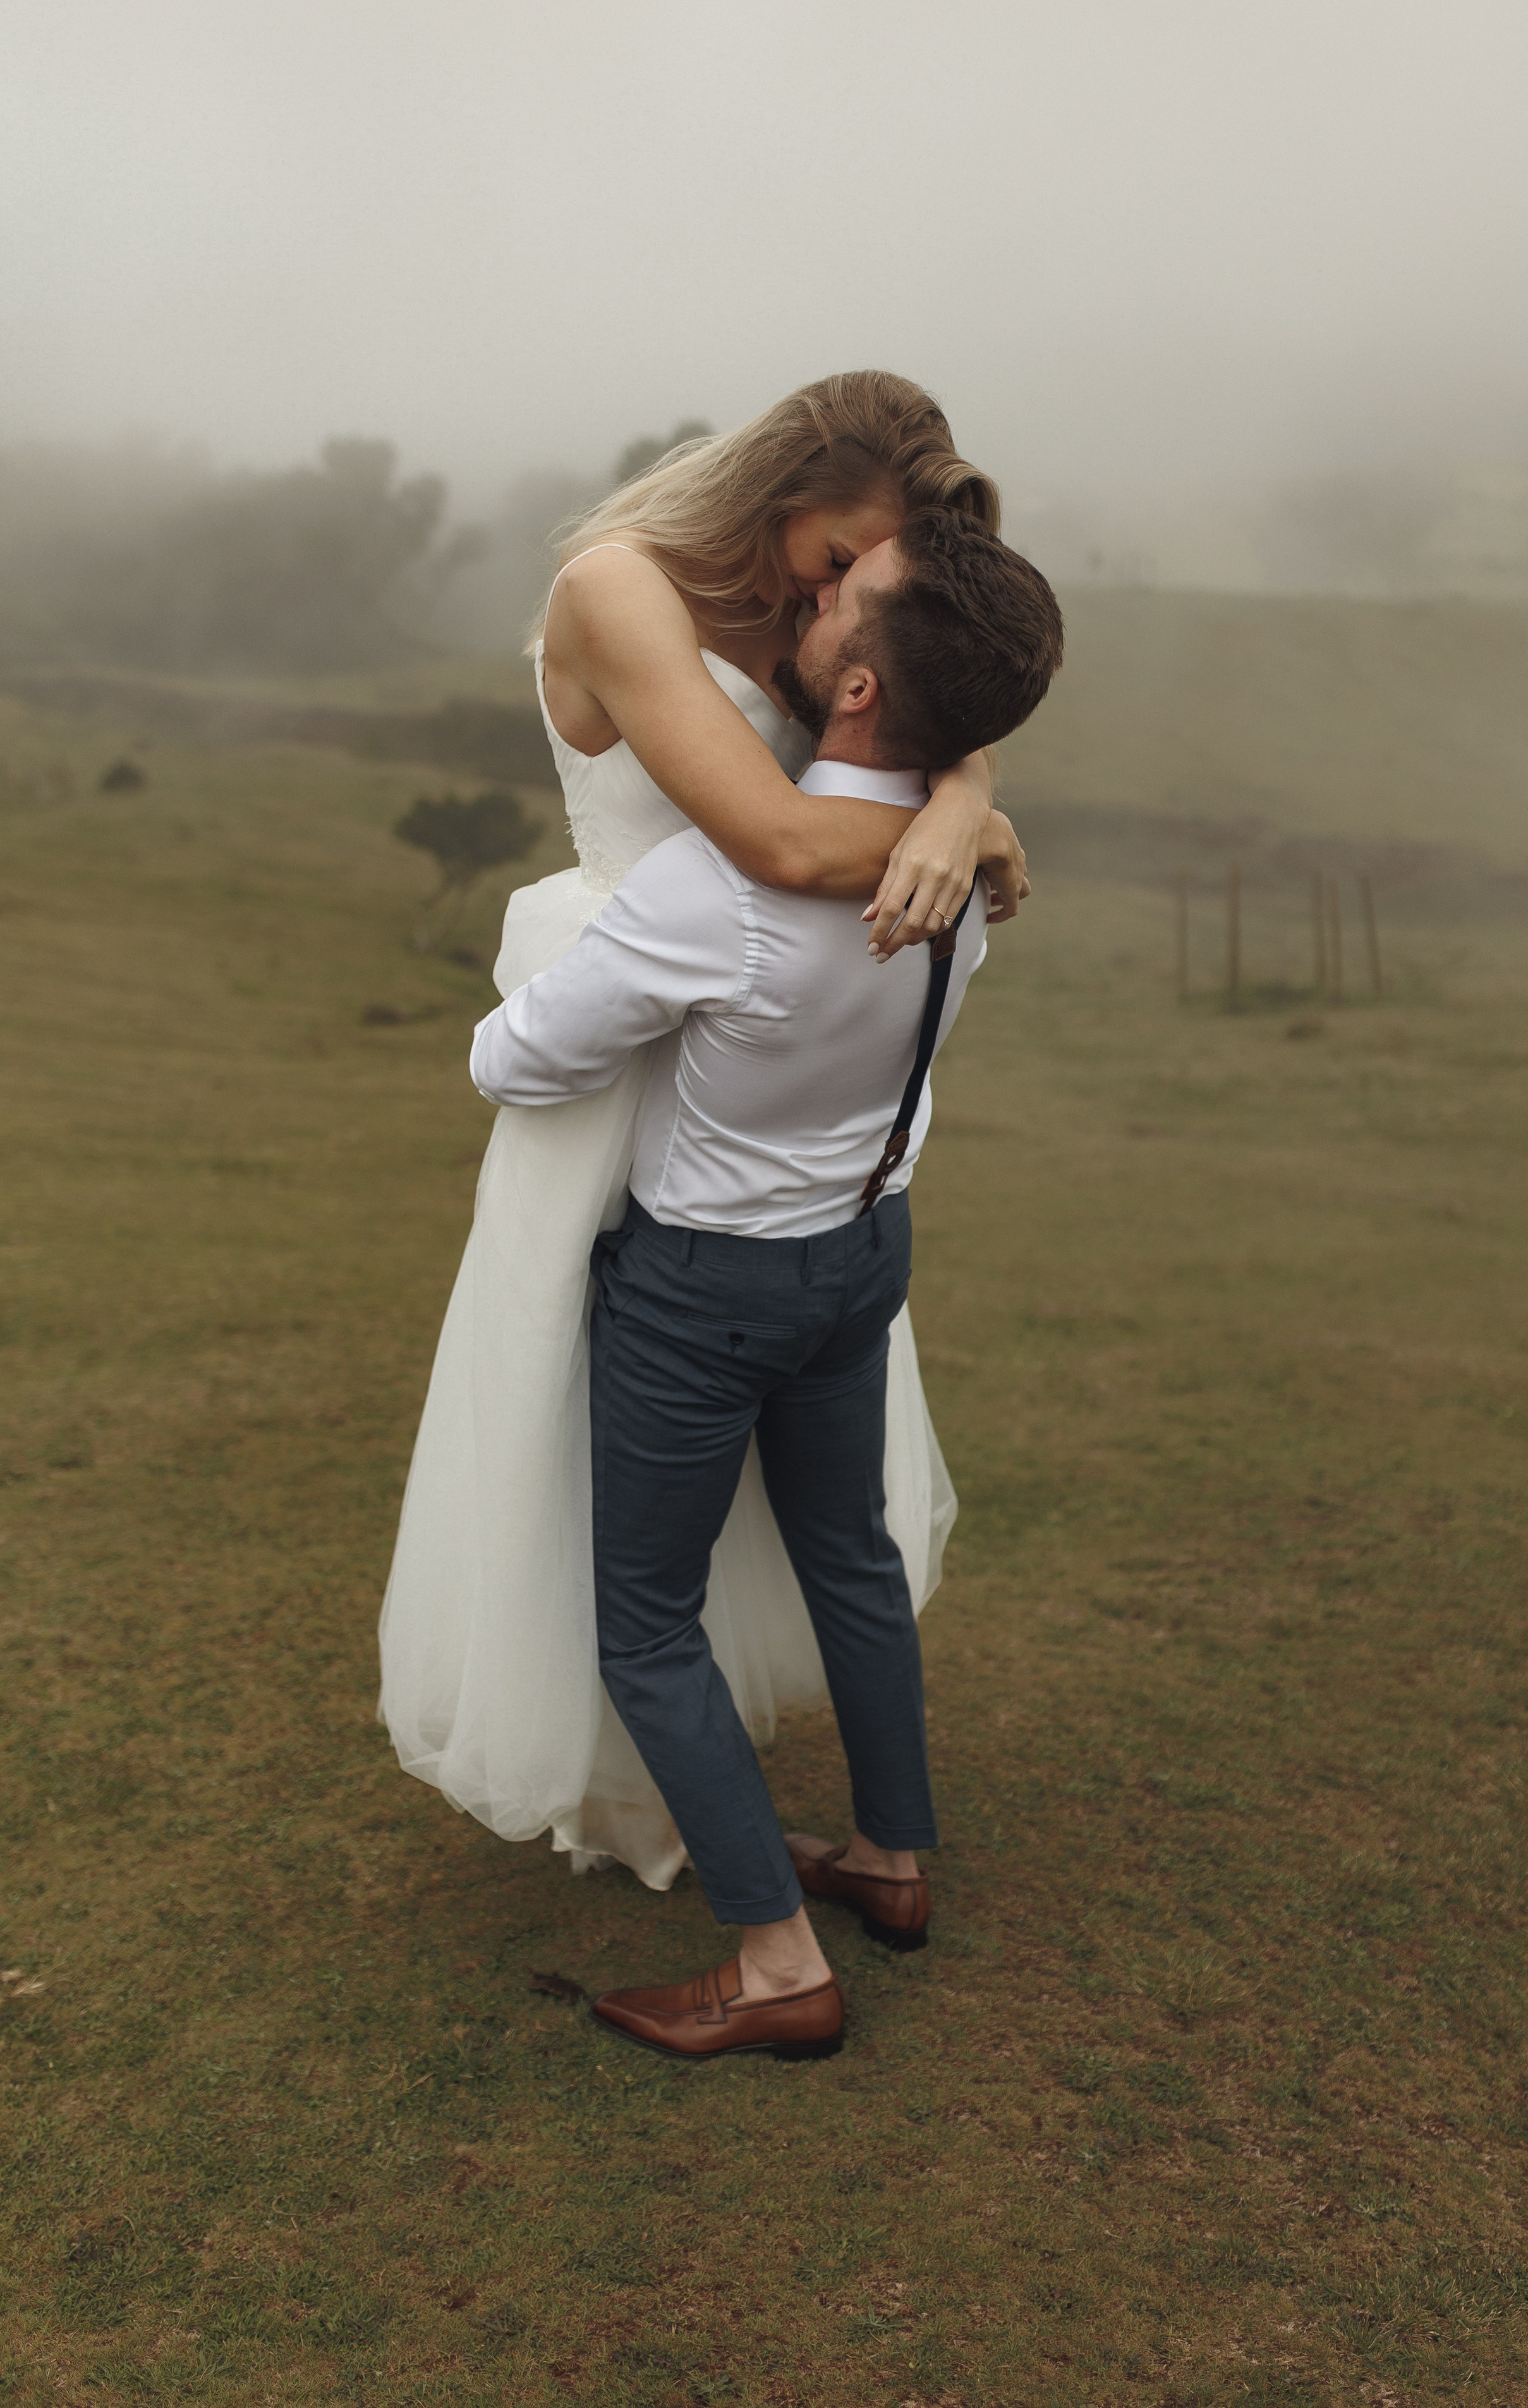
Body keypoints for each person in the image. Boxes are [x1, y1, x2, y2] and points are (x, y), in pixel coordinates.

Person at [378, 373, 1031, 1891]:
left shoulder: (834, 620)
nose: (834, 593)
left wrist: (969, 786)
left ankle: (721, 1805)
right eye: (838, 557)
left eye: (861, 579)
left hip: (755, 1052)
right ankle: (633, 1777)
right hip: (634, 1034)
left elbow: (926, 688)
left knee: (716, 1461)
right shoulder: (618, 586)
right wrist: (956, 821)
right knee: (581, 1429)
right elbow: (783, 838)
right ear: (787, 486)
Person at [470, 510, 1065, 2057]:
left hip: (701, 1292)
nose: (811, 597)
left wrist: (550, 938)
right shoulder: (958, 869)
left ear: (856, 687)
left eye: (840, 597)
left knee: (644, 1627)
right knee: (849, 1555)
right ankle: (889, 1857)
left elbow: (512, 1064)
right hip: (862, 1256)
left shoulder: (707, 892)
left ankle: (776, 1962)